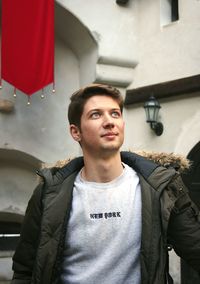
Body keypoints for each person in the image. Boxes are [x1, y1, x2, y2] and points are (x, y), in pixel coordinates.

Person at [12, 84, 200, 284]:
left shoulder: (160, 187)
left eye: (115, 114)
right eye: (95, 115)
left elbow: (196, 248)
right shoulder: (49, 193)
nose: (109, 122)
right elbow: (25, 270)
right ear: (76, 132)